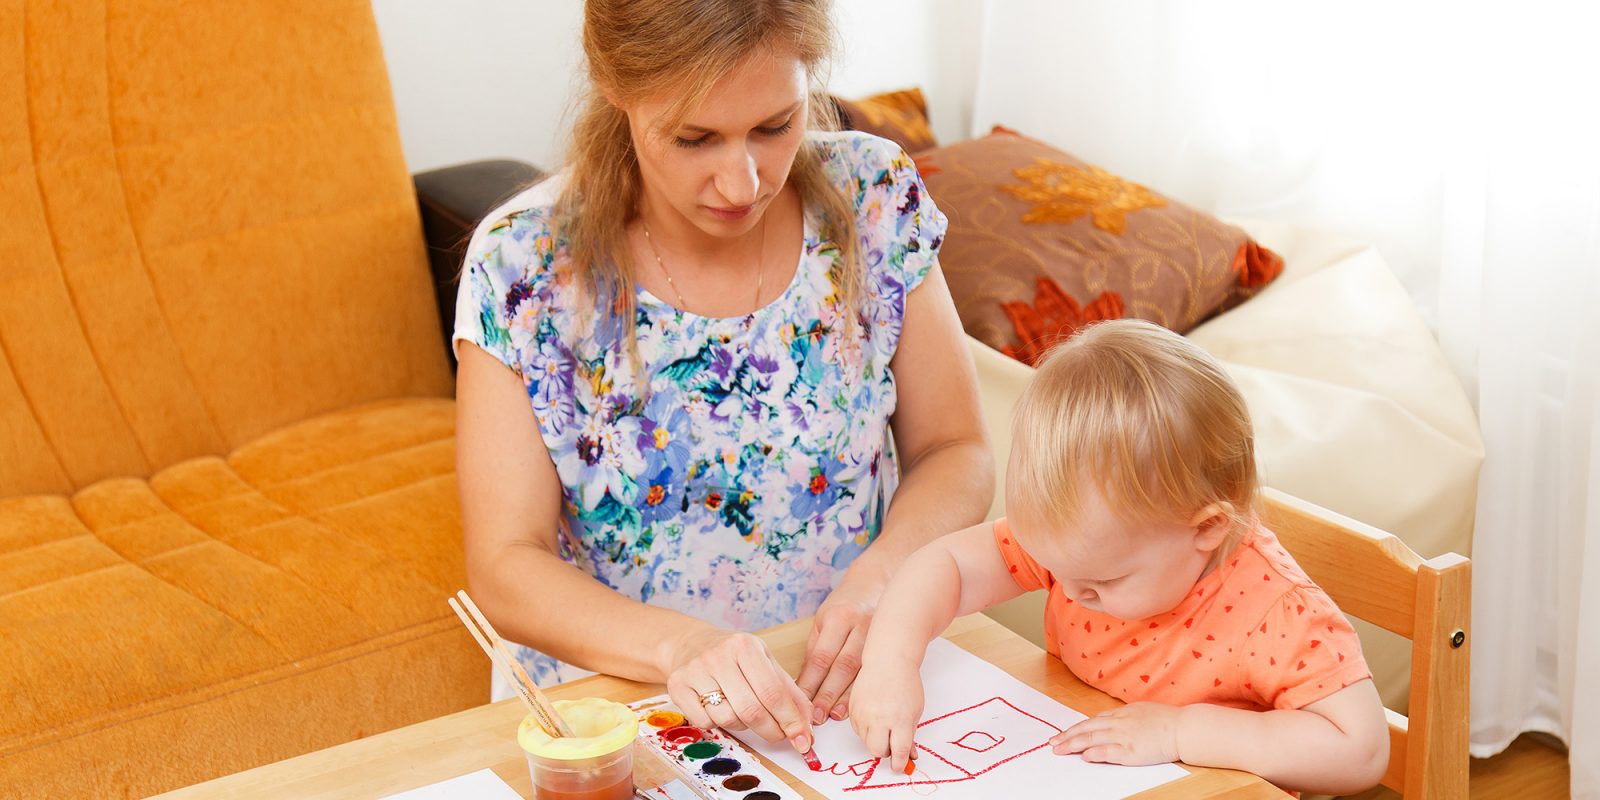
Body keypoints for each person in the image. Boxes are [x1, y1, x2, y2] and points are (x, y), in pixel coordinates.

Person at [452, 0, 994, 758]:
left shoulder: (873, 199)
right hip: (620, 721)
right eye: (695, 138)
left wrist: (886, 580)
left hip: (850, 691)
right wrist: (679, 649)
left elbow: (956, 448)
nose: (742, 184)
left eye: (775, 126)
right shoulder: (522, 266)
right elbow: (507, 567)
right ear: (619, 89)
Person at [848, 320, 1389, 795]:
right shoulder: (1083, 551)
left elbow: (1359, 750)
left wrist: (1181, 733)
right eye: (1055, 569)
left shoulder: (1276, 610)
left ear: (1207, 528)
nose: (1071, 592)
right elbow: (946, 565)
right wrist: (890, 662)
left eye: (1101, 582)